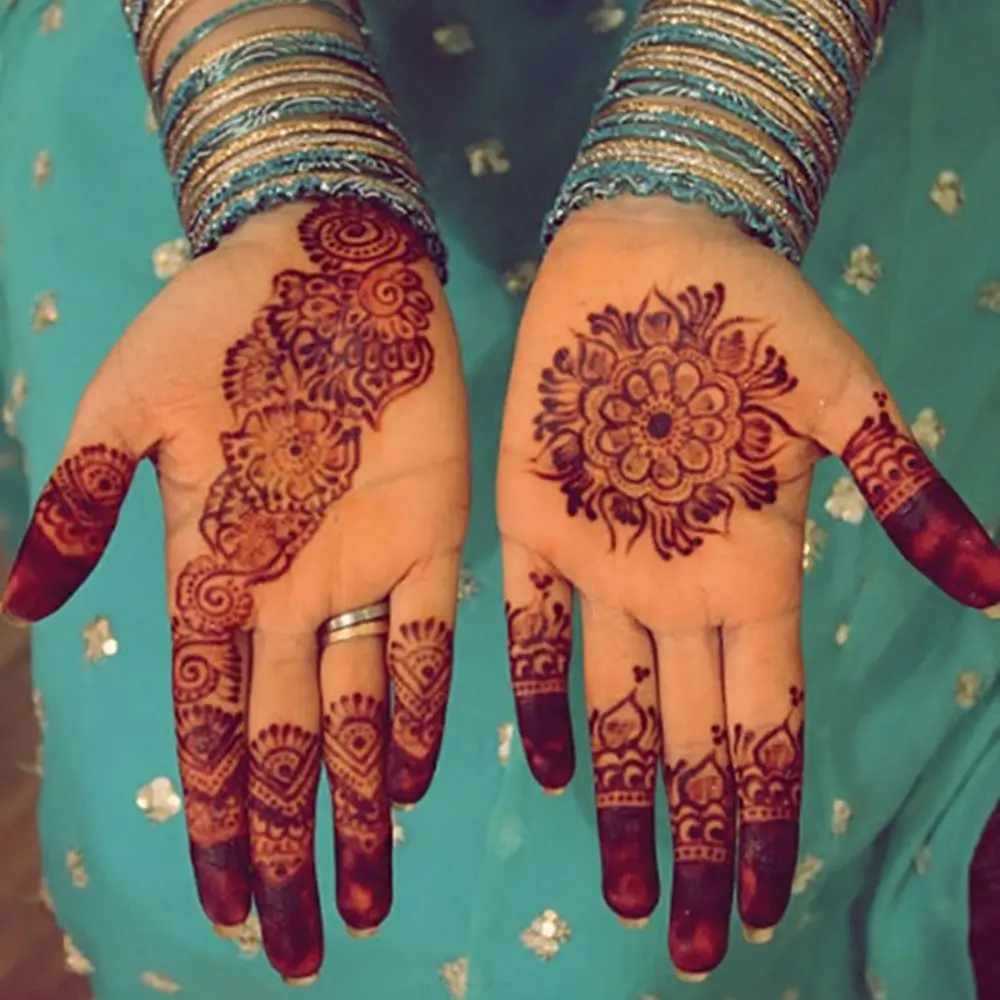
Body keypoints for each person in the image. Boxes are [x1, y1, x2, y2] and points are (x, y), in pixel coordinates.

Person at [0, 0, 997, 998]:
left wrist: (722, 116)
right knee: (171, 853)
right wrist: (273, 118)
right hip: (208, 59)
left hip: (808, 96)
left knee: (676, 901)